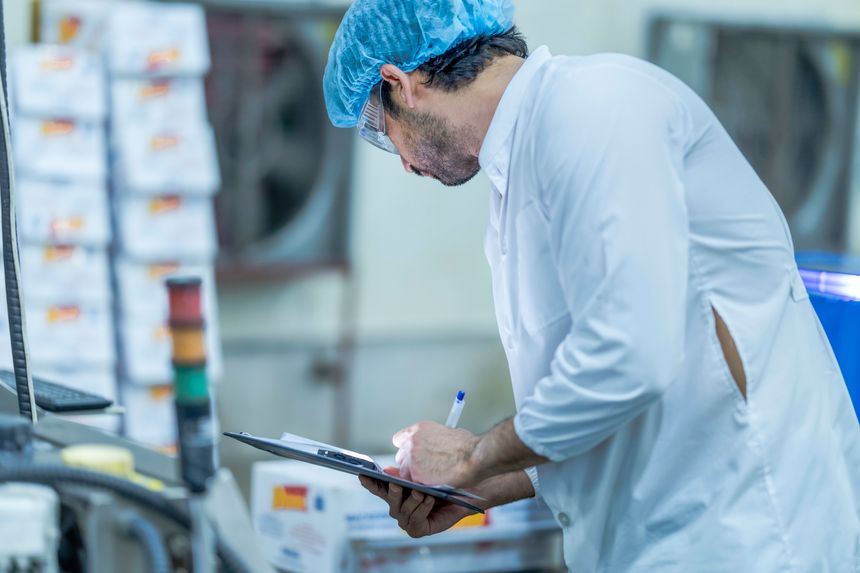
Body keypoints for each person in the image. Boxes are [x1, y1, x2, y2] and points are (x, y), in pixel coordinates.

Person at [323, 1, 860, 571]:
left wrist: (473, 457)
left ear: (400, 85)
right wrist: (486, 485)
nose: (404, 164)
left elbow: (631, 356)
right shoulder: (521, 173)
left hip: (745, 535)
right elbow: (598, 399)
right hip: (658, 536)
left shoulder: (594, 109)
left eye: (384, 135)